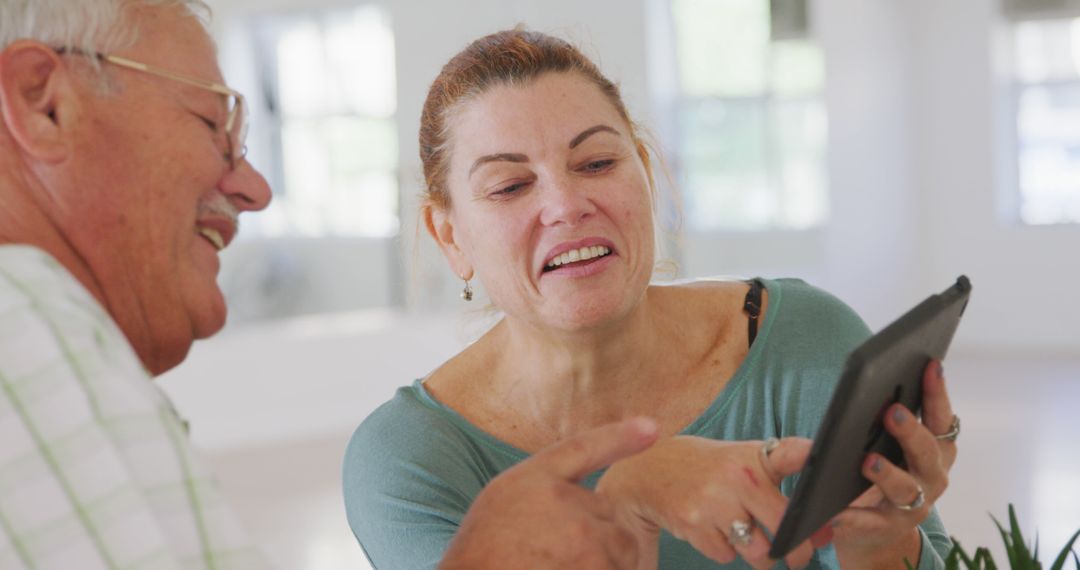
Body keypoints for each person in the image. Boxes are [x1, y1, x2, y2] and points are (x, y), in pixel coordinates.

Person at [0, 3, 659, 568]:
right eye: (212, 125)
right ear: (44, 103)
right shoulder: (25, 318)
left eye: (598, 162)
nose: (254, 188)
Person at [343, 29, 961, 569]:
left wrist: (876, 543)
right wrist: (626, 504)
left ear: (643, 171)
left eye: (597, 162)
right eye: (509, 186)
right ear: (450, 236)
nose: (566, 205)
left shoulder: (808, 340)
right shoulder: (408, 463)